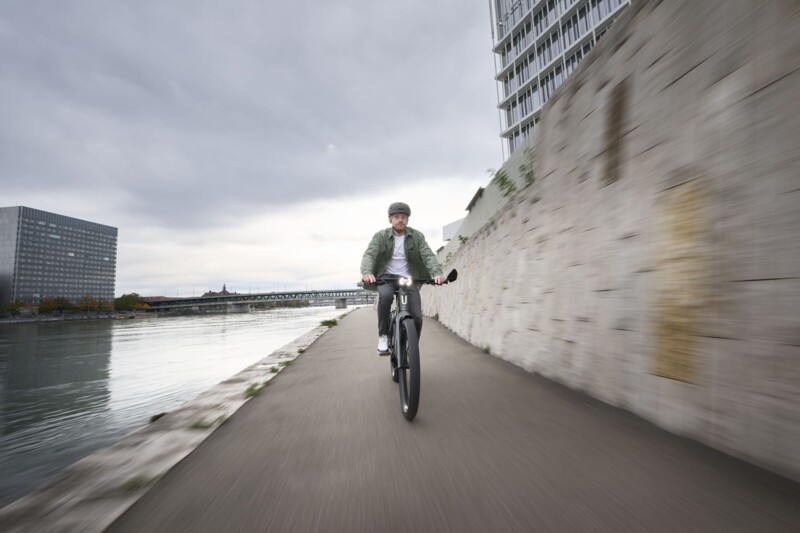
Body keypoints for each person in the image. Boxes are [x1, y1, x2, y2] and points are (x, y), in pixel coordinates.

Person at [361, 202, 445, 355]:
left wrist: (437, 273)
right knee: (385, 297)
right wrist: (367, 272)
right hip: (386, 278)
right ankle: (384, 336)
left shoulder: (417, 236)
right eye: (396, 217)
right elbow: (370, 254)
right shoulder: (380, 236)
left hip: (408, 278)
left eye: (403, 217)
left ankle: (411, 346)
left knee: (417, 317)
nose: (400, 220)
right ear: (390, 219)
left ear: (407, 219)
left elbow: (427, 254)